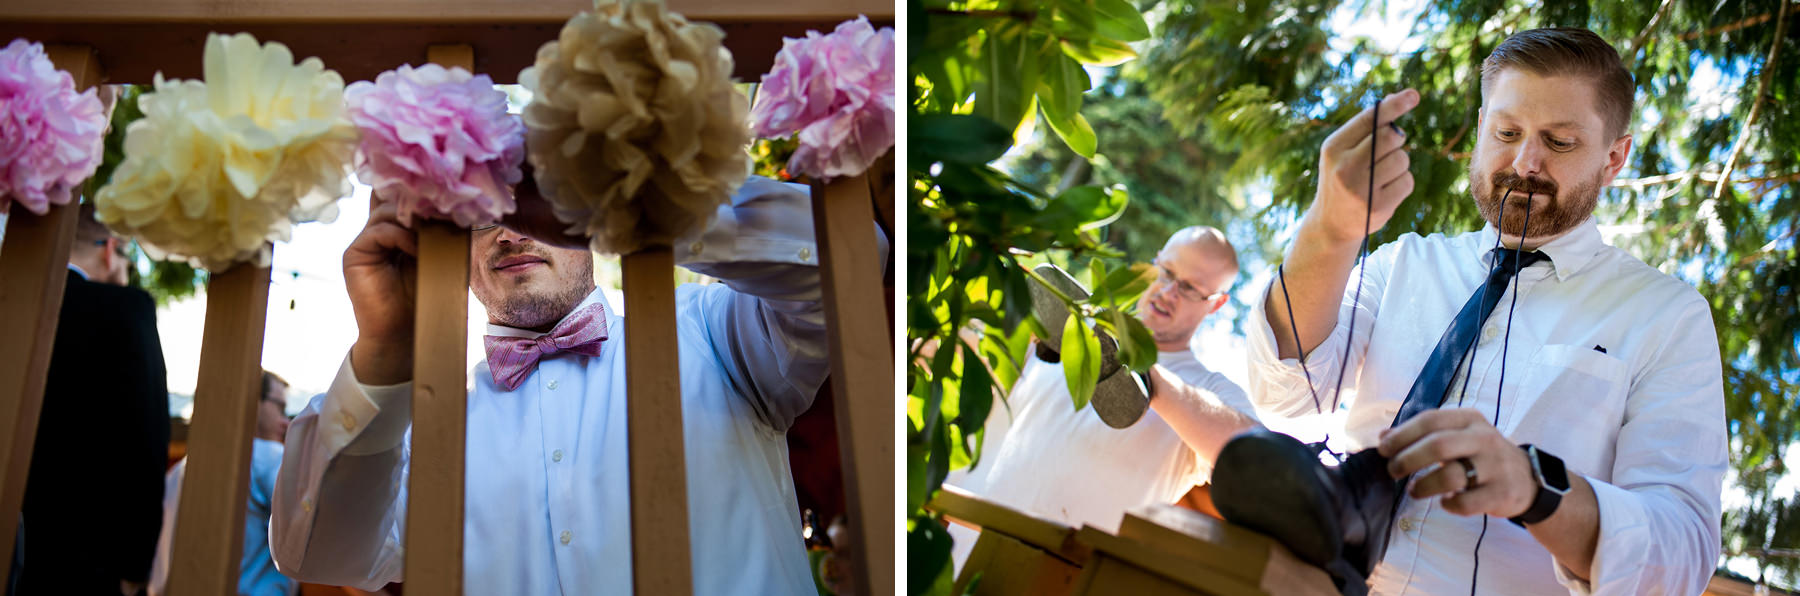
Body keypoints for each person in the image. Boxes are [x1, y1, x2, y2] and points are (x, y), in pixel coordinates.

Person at [1245, 27, 1723, 594]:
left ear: (1614, 158)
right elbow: (1284, 393)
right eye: (1507, 132)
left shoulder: (1667, 316)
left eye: (1560, 142)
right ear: (1479, 130)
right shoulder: (1403, 264)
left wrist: (1536, 487)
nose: (1525, 162)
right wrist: (1327, 231)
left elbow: (1684, 552)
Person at [268, 175, 883, 595]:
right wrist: (384, 352)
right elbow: (318, 554)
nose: (510, 231)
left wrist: (631, 194)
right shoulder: (428, 423)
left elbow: (854, 256)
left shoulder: (715, 329)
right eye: (481, 220)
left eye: (534, 205)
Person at [947, 226, 1262, 564]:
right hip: (947, 546)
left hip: (1048, 579)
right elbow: (958, 354)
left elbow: (1255, 460)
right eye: (1167, 272)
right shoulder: (1067, 325)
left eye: (1189, 288)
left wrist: (1148, 380)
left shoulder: (1208, 389)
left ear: (1216, 304)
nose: (1169, 291)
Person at [16, 203, 169, 596]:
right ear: (109, 249)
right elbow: (146, 439)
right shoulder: (124, 309)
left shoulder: (12, 296)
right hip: (81, 552)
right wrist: (136, 563)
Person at [149, 371, 296, 596]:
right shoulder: (270, 457)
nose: (286, 422)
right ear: (253, 402)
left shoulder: (178, 472)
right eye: (280, 408)